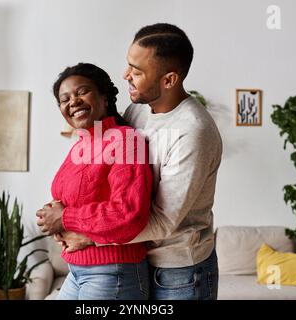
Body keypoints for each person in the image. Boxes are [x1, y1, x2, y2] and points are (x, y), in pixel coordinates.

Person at [46, 23, 223, 300]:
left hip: (179, 270)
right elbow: (110, 167)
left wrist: (86, 233)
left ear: (169, 80)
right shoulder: (138, 109)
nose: (125, 75)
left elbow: (163, 220)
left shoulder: (193, 131)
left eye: (137, 71)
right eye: (128, 65)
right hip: (137, 258)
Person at [36, 63, 153, 300]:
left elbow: (129, 214)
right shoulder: (81, 146)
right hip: (78, 269)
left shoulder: (126, 140)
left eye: (81, 92)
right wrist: (55, 220)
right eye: (64, 99)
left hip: (113, 272)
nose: (73, 102)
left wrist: (64, 218)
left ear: (104, 97)